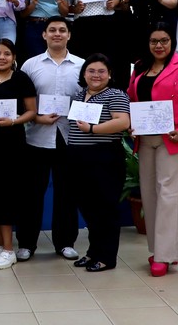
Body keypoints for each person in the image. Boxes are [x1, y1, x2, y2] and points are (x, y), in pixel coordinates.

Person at [127, 23, 178, 277]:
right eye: (154, 41)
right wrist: (131, 124)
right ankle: (156, 249)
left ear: (172, 42)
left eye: (164, 40)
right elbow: (131, 99)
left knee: (169, 194)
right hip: (145, 139)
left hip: (173, 138)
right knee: (149, 194)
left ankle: (165, 255)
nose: (159, 45)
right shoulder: (139, 67)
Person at [18, 17, 84, 262]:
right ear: (44, 35)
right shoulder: (30, 65)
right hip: (37, 137)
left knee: (67, 193)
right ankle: (26, 243)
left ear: (69, 35)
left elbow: (88, 98)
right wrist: (36, 118)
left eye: (62, 30)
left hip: (70, 137)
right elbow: (21, 100)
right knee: (31, 193)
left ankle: (65, 242)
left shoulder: (82, 65)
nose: (57, 34)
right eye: (52, 30)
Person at [0, 40, 37, 270]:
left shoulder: (22, 79)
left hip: (13, 145)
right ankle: (1, 246)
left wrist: (13, 121)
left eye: (6, 54)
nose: (1, 57)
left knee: (7, 195)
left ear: (13, 56)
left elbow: (31, 111)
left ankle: (10, 249)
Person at [67, 54, 130, 272]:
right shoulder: (78, 95)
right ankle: (93, 252)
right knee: (89, 208)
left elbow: (122, 122)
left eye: (101, 71)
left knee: (106, 208)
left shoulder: (115, 94)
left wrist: (93, 129)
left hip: (104, 157)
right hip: (78, 157)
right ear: (84, 74)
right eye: (91, 71)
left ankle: (106, 257)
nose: (96, 75)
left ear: (110, 74)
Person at [100, 0, 134, 87]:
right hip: (106, 20)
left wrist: (121, 1)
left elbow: (130, 3)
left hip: (124, 21)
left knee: (123, 59)